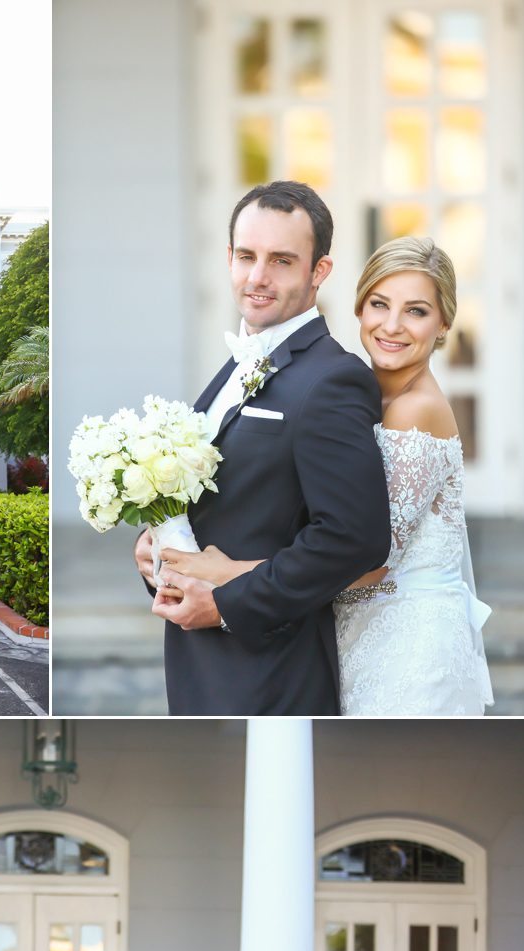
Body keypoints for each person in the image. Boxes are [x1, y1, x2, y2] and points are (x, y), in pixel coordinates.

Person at [164, 237, 494, 716]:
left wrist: (226, 573)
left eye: (417, 311)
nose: (393, 325)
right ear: (359, 309)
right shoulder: (357, 392)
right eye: (379, 304)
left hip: (407, 653)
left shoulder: (415, 410)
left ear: (444, 322)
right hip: (349, 639)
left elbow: (368, 562)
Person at [134, 179, 392, 715]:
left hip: (271, 672)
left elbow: (354, 538)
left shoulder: (334, 380)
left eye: (281, 260)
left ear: (319, 270)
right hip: (198, 665)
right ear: (228, 257)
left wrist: (227, 604)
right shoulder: (236, 363)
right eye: (247, 256)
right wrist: (156, 543)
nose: (257, 277)